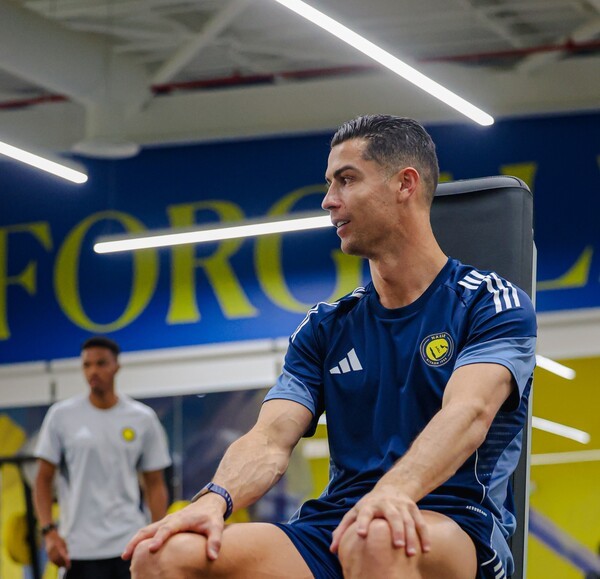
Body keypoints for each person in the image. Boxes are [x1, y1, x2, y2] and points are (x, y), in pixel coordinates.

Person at [123, 114, 536, 579]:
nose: (328, 200)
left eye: (346, 180)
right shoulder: (326, 326)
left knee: (376, 536)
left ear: (405, 184)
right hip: (341, 525)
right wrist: (215, 499)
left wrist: (393, 491)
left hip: (455, 524)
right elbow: (270, 438)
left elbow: (468, 413)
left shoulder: (489, 302)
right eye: (329, 183)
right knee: (163, 554)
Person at [34, 336, 172, 578]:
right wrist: (49, 531)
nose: (93, 371)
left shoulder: (142, 418)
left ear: (116, 366)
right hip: (78, 548)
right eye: (87, 365)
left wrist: (157, 533)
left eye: (101, 363)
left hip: (128, 543)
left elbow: (155, 483)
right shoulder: (61, 416)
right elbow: (43, 479)